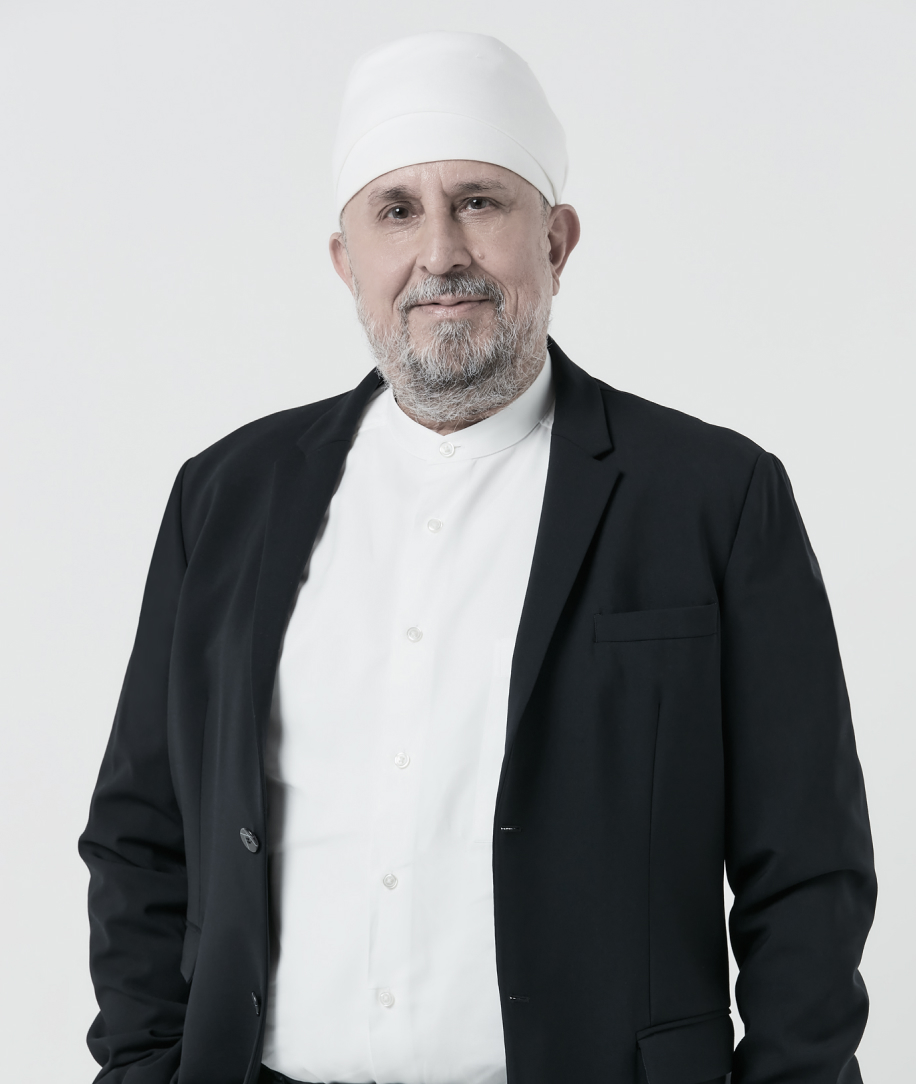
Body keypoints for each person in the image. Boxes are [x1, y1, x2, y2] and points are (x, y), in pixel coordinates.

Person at [79, 31, 876, 1084]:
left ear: (557, 240)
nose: (441, 253)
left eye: (480, 202)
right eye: (396, 211)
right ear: (346, 261)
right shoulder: (226, 496)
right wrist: (142, 1065)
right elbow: (141, 834)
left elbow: (807, 870)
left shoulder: (713, 497)